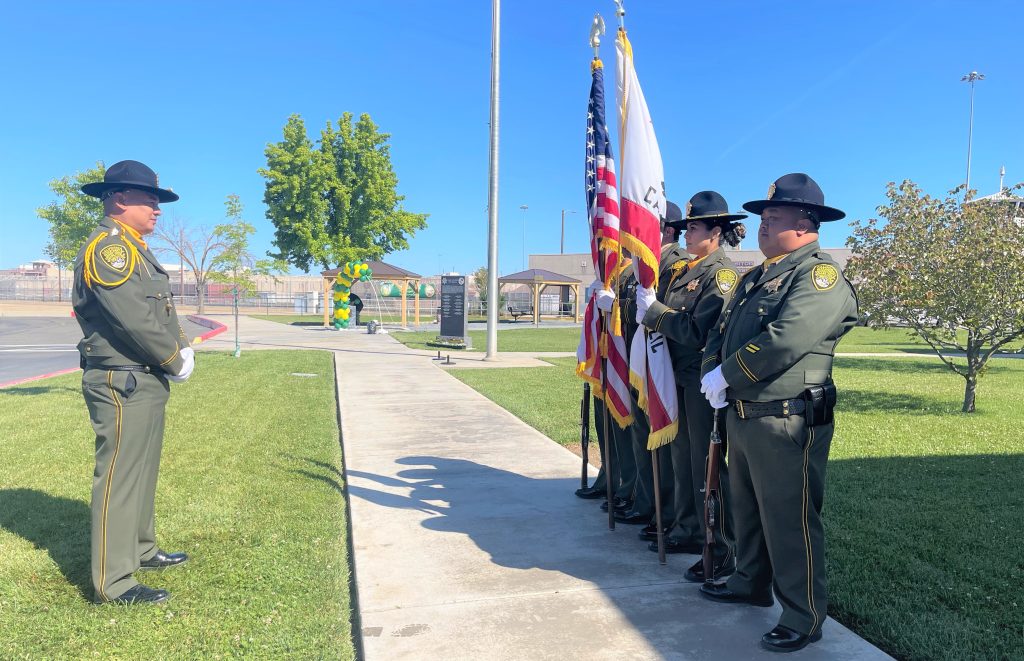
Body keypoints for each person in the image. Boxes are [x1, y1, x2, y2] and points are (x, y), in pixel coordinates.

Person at [698, 174, 858, 653]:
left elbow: (787, 337)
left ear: (806, 224)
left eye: (772, 219)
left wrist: (729, 375)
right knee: (746, 511)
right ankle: (749, 582)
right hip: (745, 413)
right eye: (762, 220)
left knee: (789, 519)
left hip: (787, 418)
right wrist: (715, 371)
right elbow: (719, 333)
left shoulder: (818, 276)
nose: (762, 228)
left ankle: (803, 613)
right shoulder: (755, 277)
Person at [74, 160, 195, 605]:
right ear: (120, 198)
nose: (158, 209)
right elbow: (132, 318)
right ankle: (116, 582)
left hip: (142, 376)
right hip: (122, 378)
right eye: (150, 200)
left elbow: (159, 310)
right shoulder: (110, 249)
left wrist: (180, 349)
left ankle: (142, 549)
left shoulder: (135, 246)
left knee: (141, 471)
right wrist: (172, 356)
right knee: (119, 478)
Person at [636, 191, 743, 569]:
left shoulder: (722, 274)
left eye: (694, 227)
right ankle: (686, 526)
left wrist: (656, 313)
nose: (686, 234)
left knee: (705, 462)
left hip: (701, 380)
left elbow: (698, 330)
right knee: (681, 456)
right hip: (676, 376)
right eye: (684, 227)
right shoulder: (687, 271)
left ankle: (717, 538)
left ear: (716, 232)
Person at [607, 202, 688, 531]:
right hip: (637, 360)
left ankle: (664, 511)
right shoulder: (642, 266)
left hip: (661, 363)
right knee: (642, 435)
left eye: (645, 225)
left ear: (668, 230)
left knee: (664, 444)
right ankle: (646, 501)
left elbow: (665, 312)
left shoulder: (676, 264)